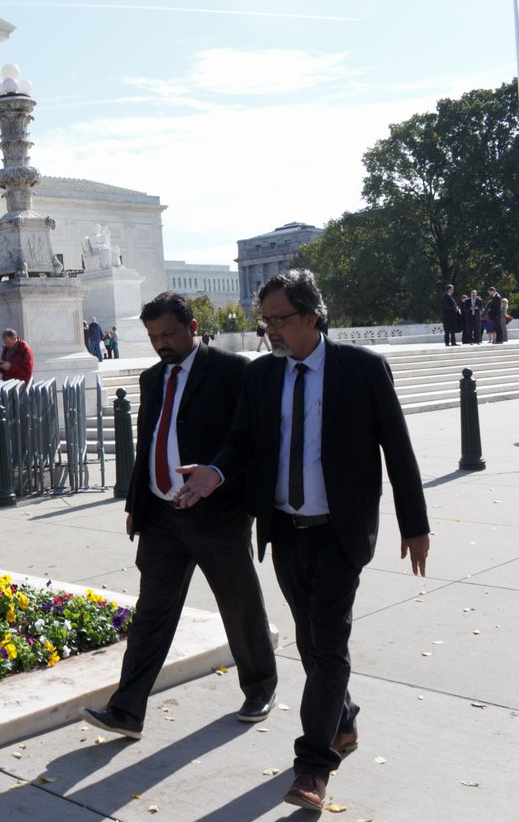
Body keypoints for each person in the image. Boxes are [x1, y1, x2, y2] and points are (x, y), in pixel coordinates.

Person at [173, 269, 431, 813]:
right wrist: (214, 473)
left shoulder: (361, 370)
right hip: (286, 531)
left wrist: (415, 524)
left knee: (329, 647)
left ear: (312, 316)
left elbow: (399, 452)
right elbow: (242, 441)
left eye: (280, 320)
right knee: (311, 643)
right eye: (265, 321)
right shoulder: (263, 376)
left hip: (339, 533)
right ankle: (345, 722)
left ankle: (313, 766)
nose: (270, 331)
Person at [78, 292, 277, 741]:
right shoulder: (152, 379)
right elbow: (146, 443)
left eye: (168, 333)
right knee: (151, 614)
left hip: (217, 513)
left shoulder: (232, 371)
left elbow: (246, 438)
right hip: (162, 516)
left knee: (238, 603)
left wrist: (224, 484)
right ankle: (127, 710)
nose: (161, 343)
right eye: (152, 337)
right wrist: (135, 506)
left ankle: (260, 686)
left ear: (191, 325)